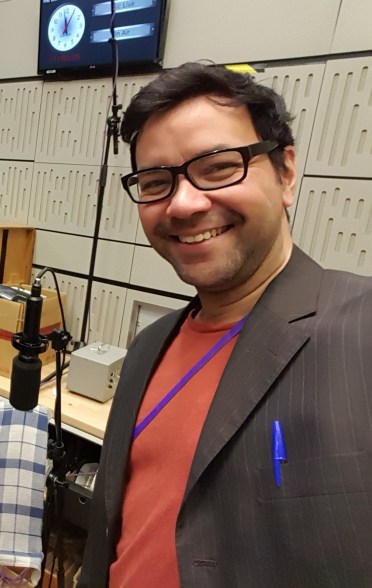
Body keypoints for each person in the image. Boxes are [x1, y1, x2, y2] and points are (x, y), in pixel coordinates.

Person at [79, 62, 372, 587]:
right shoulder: (147, 349)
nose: (184, 203)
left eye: (217, 168)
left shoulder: (361, 332)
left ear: (286, 172)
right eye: (156, 182)